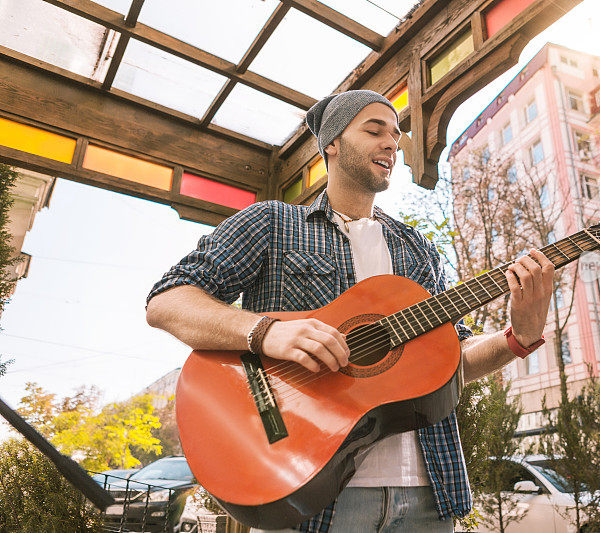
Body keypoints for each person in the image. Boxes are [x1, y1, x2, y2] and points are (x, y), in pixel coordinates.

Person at [145, 89, 554, 532]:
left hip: (428, 494)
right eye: (374, 130)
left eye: (396, 136)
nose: (391, 144)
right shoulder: (272, 223)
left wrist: (520, 335)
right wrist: (265, 332)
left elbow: (451, 360)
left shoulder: (418, 251)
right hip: (313, 493)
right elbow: (167, 300)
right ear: (332, 144)